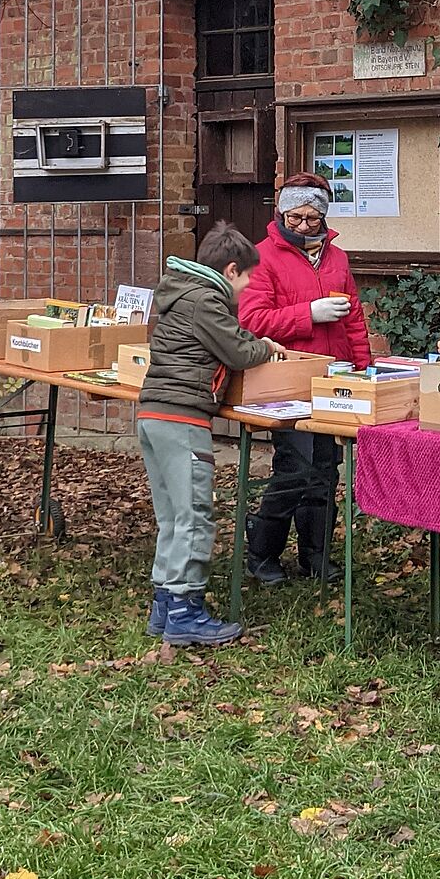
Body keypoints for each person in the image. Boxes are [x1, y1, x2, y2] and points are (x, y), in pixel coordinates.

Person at [136, 222, 285, 646]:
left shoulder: (181, 293)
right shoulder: (206, 300)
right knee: (195, 517)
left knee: (172, 519)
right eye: (248, 280)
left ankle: (165, 605)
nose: (246, 289)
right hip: (182, 420)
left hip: (154, 415)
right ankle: (186, 612)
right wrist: (267, 346)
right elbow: (237, 349)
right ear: (232, 270)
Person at [238, 173, 371, 584]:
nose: (301, 226)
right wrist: (308, 314)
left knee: (326, 471)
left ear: (324, 218)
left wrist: (363, 368)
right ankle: (262, 552)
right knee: (295, 467)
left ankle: (315, 555)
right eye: (294, 217)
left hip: (333, 377)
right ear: (280, 212)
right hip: (288, 379)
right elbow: (251, 320)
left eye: (312, 219)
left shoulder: (337, 259)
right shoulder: (260, 258)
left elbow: (354, 319)